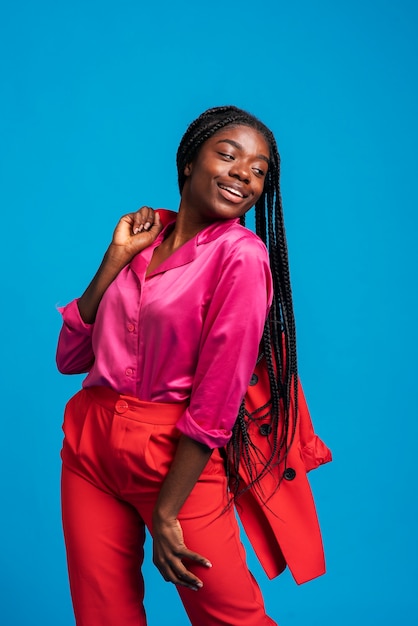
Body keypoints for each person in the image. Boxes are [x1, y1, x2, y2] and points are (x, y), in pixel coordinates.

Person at [56, 105, 331, 626]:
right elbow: (69, 357)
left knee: (231, 619)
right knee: (101, 616)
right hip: (88, 446)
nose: (243, 175)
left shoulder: (241, 258)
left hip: (174, 456)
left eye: (258, 170)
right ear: (188, 162)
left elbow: (217, 400)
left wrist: (167, 510)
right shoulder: (143, 236)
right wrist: (113, 262)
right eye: (228, 155)